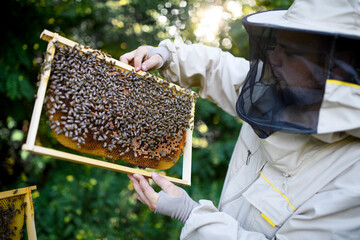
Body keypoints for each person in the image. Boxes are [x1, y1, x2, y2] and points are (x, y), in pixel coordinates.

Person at [122, 0, 360, 238]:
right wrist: (166, 56)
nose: (274, 59)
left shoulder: (352, 180)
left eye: (290, 52)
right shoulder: (278, 85)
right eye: (276, 45)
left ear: (339, 66)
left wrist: (191, 215)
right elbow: (217, 68)